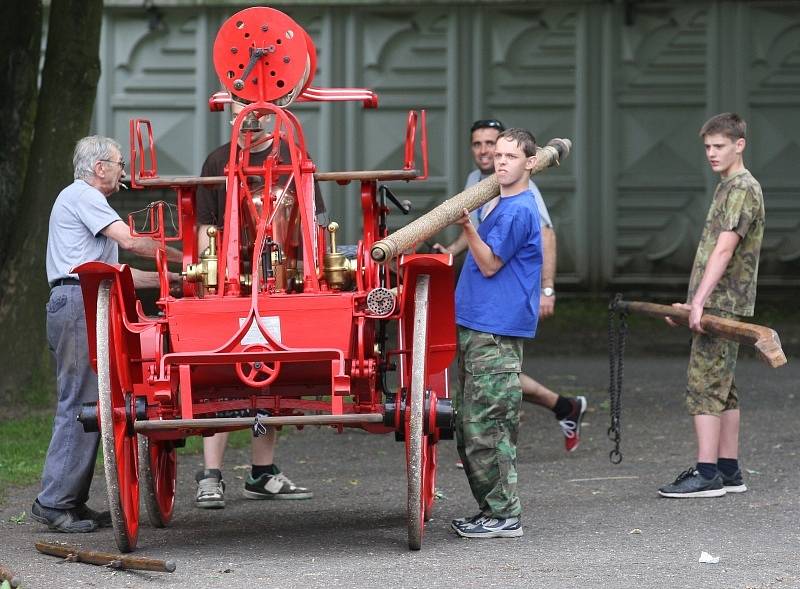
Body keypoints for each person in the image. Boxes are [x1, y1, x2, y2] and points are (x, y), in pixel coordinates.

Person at [33, 135, 182, 533]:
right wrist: (187, 257)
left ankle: (70, 501)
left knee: (94, 402)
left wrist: (180, 279)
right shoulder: (83, 195)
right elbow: (132, 243)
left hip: (83, 301)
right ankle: (53, 503)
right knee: (82, 401)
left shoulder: (84, 201)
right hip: (78, 303)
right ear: (99, 168)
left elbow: (122, 275)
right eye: (118, 163)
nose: (123, 171)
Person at [193, 98, 318, 508]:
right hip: (229, 285)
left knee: (271, 379)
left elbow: (311, 224)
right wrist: (209, 284)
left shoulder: (294, 157)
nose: (250, 119)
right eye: (241, 110)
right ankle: (211, 475)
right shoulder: (217, 161)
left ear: (272, 112)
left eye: (257, 110)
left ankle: (262, 472)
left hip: (282, 284)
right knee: (218, 377)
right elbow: (205, 229)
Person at [434, 118, 586, 452]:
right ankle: (562, 407)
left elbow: (543, 235)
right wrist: (451, 250)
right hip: (481, 310)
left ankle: (507, 438)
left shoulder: (523, 193)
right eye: (482, 146)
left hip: (501, 311)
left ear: (527, 161)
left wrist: (547, 288)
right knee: (498, 381)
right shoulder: (480, 182)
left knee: (502, 381)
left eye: (497, 147)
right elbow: (479, 231)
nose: (490, 154)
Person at [658, 112, 764, 499]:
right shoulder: (728, 186)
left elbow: (724, 249)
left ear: (740, 145)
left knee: (703, 384)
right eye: (707, 147)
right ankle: (728, 470)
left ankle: (706, 475)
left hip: (722, 303)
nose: (711, 153)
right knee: (724, 386)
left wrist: (699, 303)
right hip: (718, 301)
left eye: (719, 146)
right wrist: (690, 303)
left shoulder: (740, 188)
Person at [450, 128, 542, 539]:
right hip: (477, 327)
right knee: (470, 426)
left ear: (530, 162)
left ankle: (506, 515)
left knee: (490, 426)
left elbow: (489, 264)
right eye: (499, 155)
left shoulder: (520, 208)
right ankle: (490, 510)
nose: (501, 161)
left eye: (511, 156)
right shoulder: (499, 204)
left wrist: (466, 227)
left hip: (496, 332)